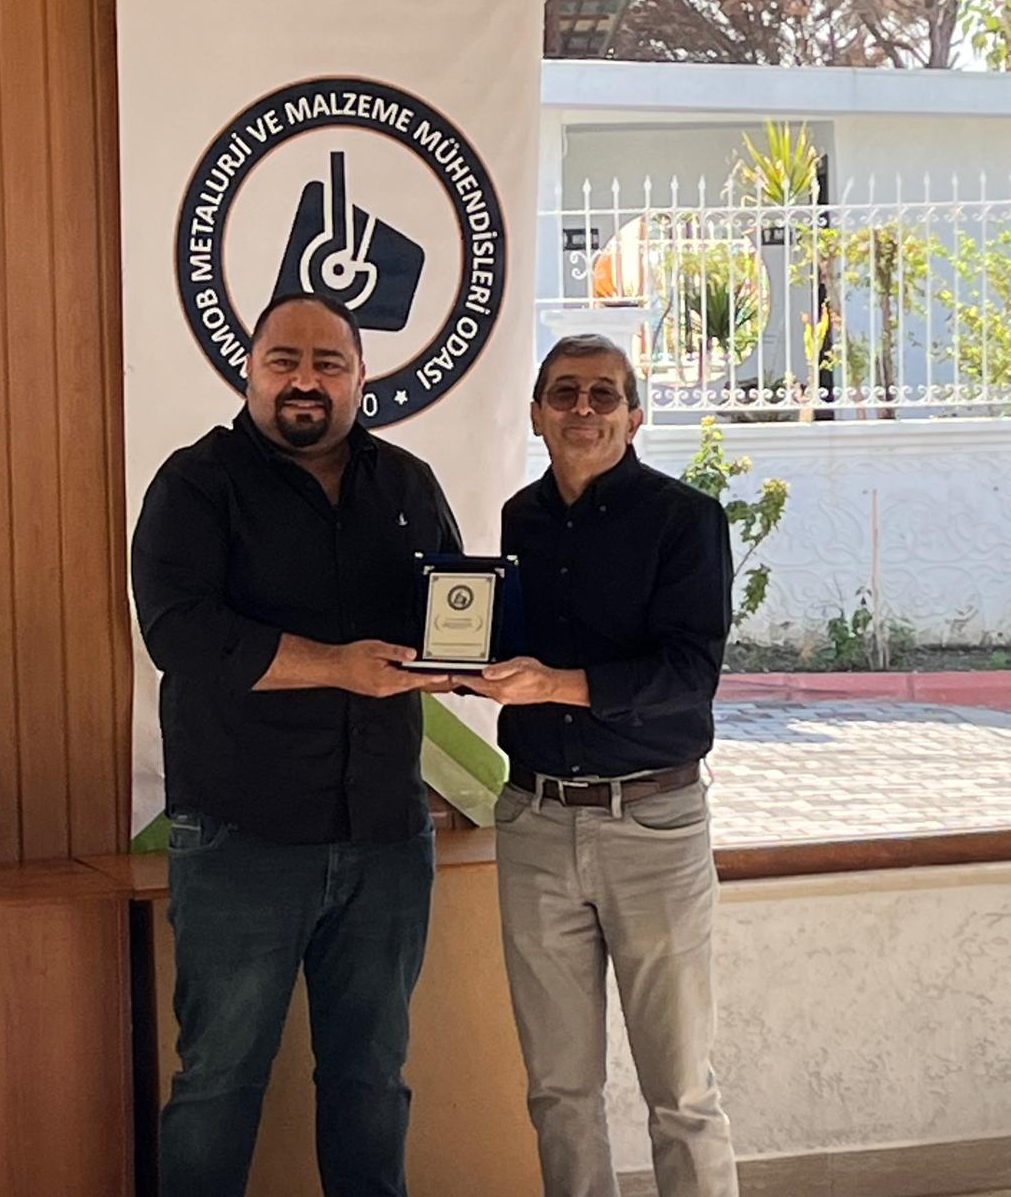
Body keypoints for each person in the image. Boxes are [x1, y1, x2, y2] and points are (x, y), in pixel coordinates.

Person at [131, 291, 461, 1197]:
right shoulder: (195, 485)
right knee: (218, 1083)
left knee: (372, 1080)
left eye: (328, 362)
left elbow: (450, 617)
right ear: (250, 370)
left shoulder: (408, 485)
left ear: (361, 375)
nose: (305, 380)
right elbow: (180, 634)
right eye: (285, 360)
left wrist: (471, 661)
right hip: (243, 838)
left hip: (386, 835)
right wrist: (337, 667)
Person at [465, 334, 739, 1197]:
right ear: (536, 414)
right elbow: (516, 649)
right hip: (536, 822)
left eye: (603, 394)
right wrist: (470, 668)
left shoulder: (686, 520)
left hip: (653, 826)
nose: (583, 408)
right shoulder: (521, 519)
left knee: (681, 1092)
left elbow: (689, 676)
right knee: (558, 1091)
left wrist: (555, 684)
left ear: (635, 415)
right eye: (564, 392)